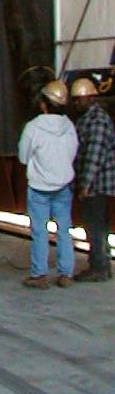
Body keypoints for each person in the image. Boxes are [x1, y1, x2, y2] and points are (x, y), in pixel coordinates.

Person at [18, 79, 78, 288]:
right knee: (64, 230)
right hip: (63, 186)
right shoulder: (69, 126)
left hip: (39, 188)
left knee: (39, 232)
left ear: (43, 103)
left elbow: (23, 157)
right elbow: (73, 152)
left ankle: (40, 275)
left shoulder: (33, 128)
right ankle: (66, 274)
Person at [71, 77, 115, 281]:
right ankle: (102, 264)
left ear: (90, 98)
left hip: (96, 185)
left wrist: (84, 185)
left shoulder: (97, 121)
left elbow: (93, 156)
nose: (77, 103)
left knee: (94, 225)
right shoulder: (88, 118)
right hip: (96, 184)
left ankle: (98, 267)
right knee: (99, 224)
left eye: (80, 99)